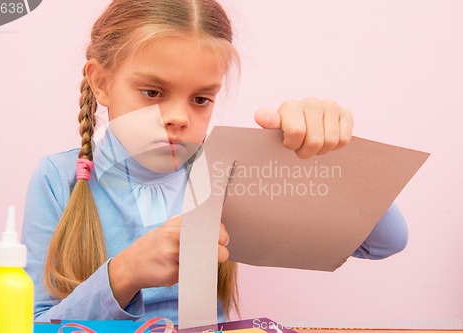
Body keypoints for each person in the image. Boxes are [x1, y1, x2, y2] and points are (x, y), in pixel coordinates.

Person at [21, 0, 408, 324]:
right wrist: (125, 272)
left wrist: (330, 152)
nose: (179, 117)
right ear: (101, 82)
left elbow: (386, 242)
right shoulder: (59, 179)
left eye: (201, 99)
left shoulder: (224, 172)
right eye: (153, 91)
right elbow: (33, 325)